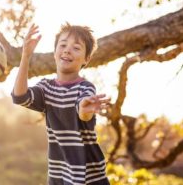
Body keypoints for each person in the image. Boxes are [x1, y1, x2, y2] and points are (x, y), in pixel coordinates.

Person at [11, 23, 111, 185]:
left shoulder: (85, 87)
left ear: (86, 59)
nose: (67, 50)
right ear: (55, 53)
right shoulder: (46, 88)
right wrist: (25, 56)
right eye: (63, 45)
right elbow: (20, 96)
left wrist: (85, 109)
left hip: (90, 176)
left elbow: (83, 111)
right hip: (59, 175)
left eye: (76, 48)